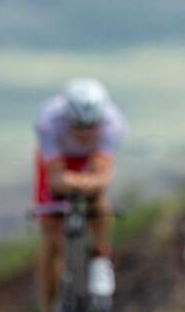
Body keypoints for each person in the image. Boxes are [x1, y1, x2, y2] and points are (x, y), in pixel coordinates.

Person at [33, 78, 127, 312]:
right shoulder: (47, 121)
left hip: (90, 161)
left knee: (98, 198)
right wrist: (71, 182)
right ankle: (49, 305)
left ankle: (100, 257)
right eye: (77, 127)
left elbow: (102, 174)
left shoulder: (114, 123)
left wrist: (86, 183)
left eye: (91, 128)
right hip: (57, 161)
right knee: (51, 238)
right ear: (66, 118)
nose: (84, 135)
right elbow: (54, 176)